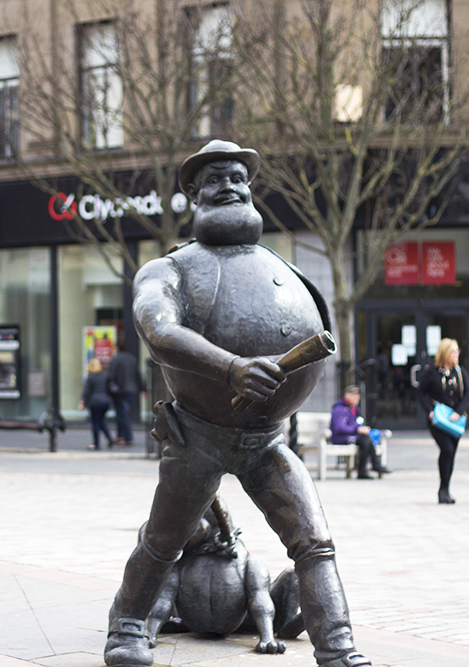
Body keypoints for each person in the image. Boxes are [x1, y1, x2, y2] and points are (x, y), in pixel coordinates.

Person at [104, 140, 370, 667]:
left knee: (314, 541)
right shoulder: (169, 269)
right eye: (215, 178)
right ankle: (128, 626)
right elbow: (159, 332)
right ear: (193, 194)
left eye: (238, 176)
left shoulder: (279, 265)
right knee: (164, 540)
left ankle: (337, 649)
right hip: (198, 434)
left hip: (268, 438)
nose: (230, 185)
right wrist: (232, 367)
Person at [416, 338, 469, 505]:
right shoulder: (432, 373)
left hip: (455, 421)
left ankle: (446, 489)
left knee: (452, 453)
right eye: (453, 351)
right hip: (439, 420)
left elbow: (468, 394)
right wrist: (430, 411)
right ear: (445, 353)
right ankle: (442, 490)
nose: (456, 355)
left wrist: (459, 412)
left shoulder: (460, 372)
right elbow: (421, 392)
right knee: (446, 450)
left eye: (457, 351)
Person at [329, 385, 391, 479]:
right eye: (353, 395)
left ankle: (371, 467)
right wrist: (357, 429)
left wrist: (362, 429)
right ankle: (370, 467)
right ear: (347, 395)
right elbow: (340, 428)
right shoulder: (339, 410)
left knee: (367, 439)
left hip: (353, 436)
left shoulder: (354, 410)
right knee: (365, 441)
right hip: (341, 438)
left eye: (357, 396)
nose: (356, 398)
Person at [109, 338, 146, 446]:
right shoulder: (132, 359)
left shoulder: (116, 359)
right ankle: (121, 436)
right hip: (131, 390)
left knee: (122, 414)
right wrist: (143, 388)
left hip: (120, 391)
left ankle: (127, 437)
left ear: (117, 348)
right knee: (122, 413)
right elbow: (138, 374)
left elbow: (111, 376)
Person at [81, 358, 116, 450]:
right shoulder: (105, 375)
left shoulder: (91, 377)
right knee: (101, 421)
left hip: (94, 402)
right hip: (105, 402)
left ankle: (96, 444)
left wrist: (82, 402)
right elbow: (110, 389)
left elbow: (87, 392)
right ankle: (109, 438)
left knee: (95, 422)